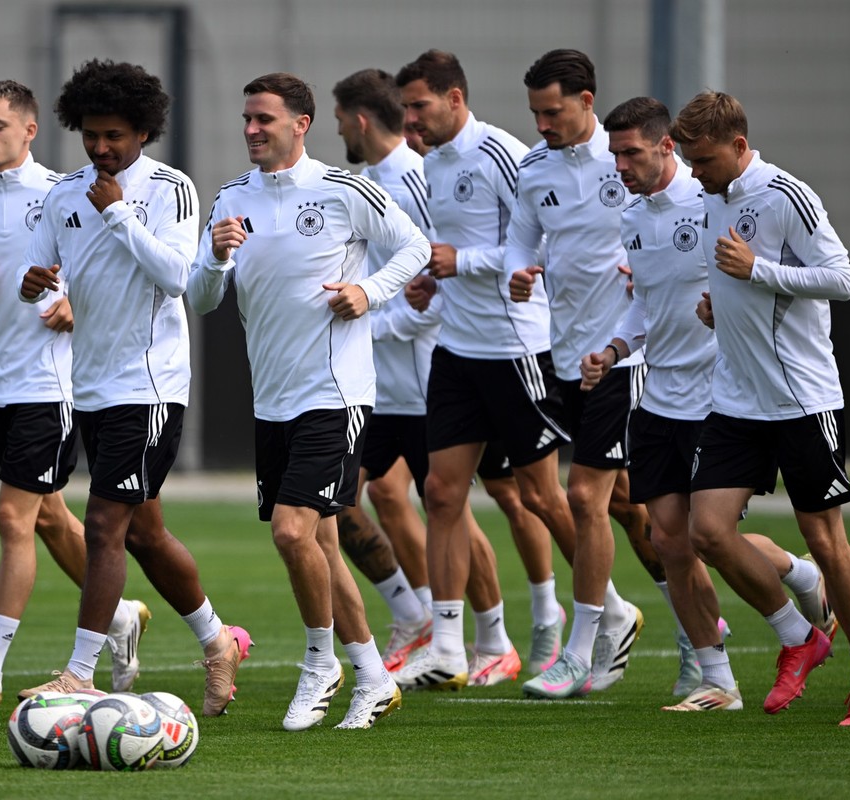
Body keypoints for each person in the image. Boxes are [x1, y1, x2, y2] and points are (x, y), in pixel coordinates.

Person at [188, 72, 428, 730]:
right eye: (246, 118)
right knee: (320, 541)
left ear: (301, 124)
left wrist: (369, 292)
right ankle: (373, 675)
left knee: (291, 531)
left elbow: (414, 247)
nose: (251, 129)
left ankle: (320, 663)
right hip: (273, 401)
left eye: (264, 119)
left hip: (335, 393)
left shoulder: (344, 189)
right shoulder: (231, 198)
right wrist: (214, 257)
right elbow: (202, 299)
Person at [579, 96, 837, 710]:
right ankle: (718, 680)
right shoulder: (633, 218)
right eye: (614, 155)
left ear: (666, 146)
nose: (620, 166)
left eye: (630, 153)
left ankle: (799, 596)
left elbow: (762, 281)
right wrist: (614, 349)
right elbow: (646, 303)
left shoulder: (713, 200)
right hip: (657, 396)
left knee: (706, 538)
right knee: (668, 542)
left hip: (717, 399)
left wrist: (733, 302)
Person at [14, 60, 251, 717]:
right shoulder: (63, 194)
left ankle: (79, 674)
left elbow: (177, 277)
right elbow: (41, 276)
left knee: (102, 524)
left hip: (148, 385)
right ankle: (218, 641)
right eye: (90, 135)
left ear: (144, 131)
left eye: (113, 135)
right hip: (89, 384)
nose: (100, 147)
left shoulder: (170, 188)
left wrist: (118, 214)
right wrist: (35, 286)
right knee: (145, 534)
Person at [0, 80, 148, 706]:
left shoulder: (63, 193)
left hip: (51, 384)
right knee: (47, 515)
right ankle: (121, 616)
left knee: (11, 516)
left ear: (29, 130)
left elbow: (101, 269)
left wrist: (75, 301)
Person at [669, 90, 850, 725]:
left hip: (800, 399)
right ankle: (799, 637)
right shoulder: (710, 197)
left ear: (739, 146)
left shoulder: (786, 194)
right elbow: (738, 286)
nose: (695, 173)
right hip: (736, 399)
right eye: (689, 161)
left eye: (704, 160)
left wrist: (757, 271)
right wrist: (718, 308)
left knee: (825, 540)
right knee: (707, 533)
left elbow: (842, 279)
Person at [388, 50, 575, 693]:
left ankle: (601, 610)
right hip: (456, 350)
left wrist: (459, 263)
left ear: (455, 98)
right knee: (440, 493)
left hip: (515, 348)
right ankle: (448, 647)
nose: (410, 119)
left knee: (541, 497)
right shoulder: (432, 162)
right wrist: (432, 283)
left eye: (419, 106)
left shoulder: (500, 154)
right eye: (405, 108)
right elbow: (451, 254)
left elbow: (540, 244)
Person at [502, 49, 665, 699]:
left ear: (586, 101)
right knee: (631, 505)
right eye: (535, 113)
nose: (542, 124)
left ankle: (583, 646)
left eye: (553, 112)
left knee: (583, 498)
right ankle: (722, 617)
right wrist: (519, 270)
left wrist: (648, 269)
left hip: (624, 356)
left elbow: (677, 221)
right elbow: (522, 239)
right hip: (564, 354)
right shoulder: (534, 168)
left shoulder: (627, 160)